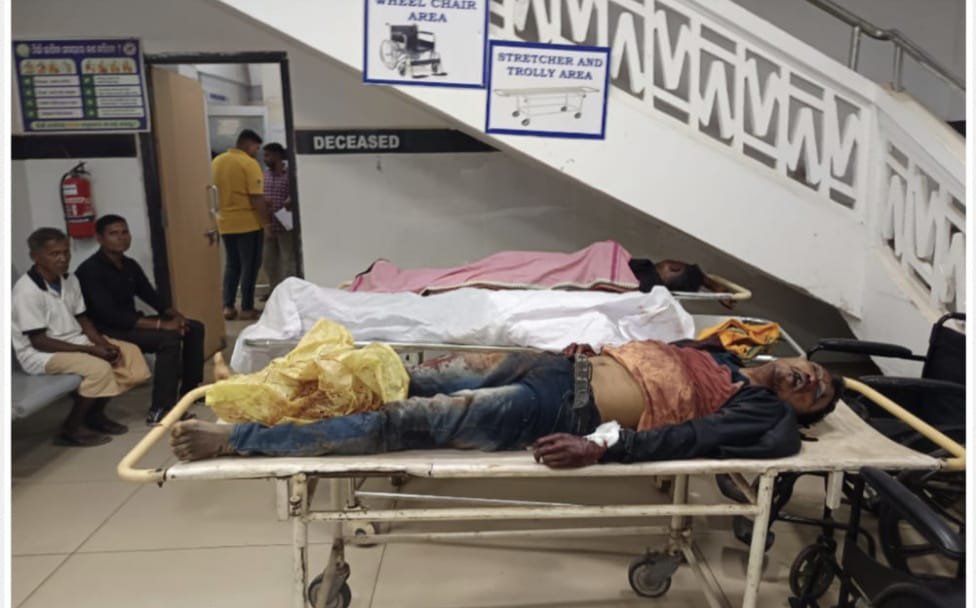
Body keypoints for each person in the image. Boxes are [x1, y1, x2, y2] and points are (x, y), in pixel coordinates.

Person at [170, 338, 843, 467]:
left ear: (800, 409)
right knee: (389, 368)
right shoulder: (721, 355)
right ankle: (258, 396)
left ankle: (238, 440)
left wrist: (599, 447)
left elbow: (687, 440)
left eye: (815, 395)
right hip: (555, 365)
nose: (810, 381)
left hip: (559, 411)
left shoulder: (762, 412)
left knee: (406, 421)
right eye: (816, 372)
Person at [12, 228, 151, 446]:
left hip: (74, 342)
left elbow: (83, 319)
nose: (63, 258)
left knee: (129, 354)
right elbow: (39, 341)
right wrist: (91, 350)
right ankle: (71, 427)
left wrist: (103, 344)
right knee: (99, 368)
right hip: (40, 354)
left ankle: (95, 415)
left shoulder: (70, 280)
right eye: (54, 254)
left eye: (66, 252)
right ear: (35, 257)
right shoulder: (26, 291)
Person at [75, 215, 206, 425]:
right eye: (114, 234)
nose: (121, 237)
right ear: (99, 238)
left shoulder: (129, 264)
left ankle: (191, 392)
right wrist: (162, 325)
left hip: (130, 323)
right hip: (106, 330)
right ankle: (161, 409)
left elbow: (150, 296)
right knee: (168, 339)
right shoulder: (90, 271)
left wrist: (177, 316)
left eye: (124, 232)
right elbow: (110, 315)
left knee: (194, 327)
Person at [212, 129, 268, 321]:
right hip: (248, 224)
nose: (256, 152)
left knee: (232, 265)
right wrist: (266, 223)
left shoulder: (217, 162)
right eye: (256, 148)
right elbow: (256, 197)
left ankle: (227, 306)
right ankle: (247, 308)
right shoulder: (248, 163)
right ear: (248, 144)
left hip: (225, 223)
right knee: (249, 266)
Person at [259, 142, 296, 300]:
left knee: (288, 260)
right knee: (269, 262)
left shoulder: (290, 175)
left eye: (268, 155)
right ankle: (274, 292)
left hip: (286, 224)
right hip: (268, 224)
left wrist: (292, 199)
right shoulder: (264, 175)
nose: (265, 158)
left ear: (278, 156)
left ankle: (290, 293)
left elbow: (299, 193)